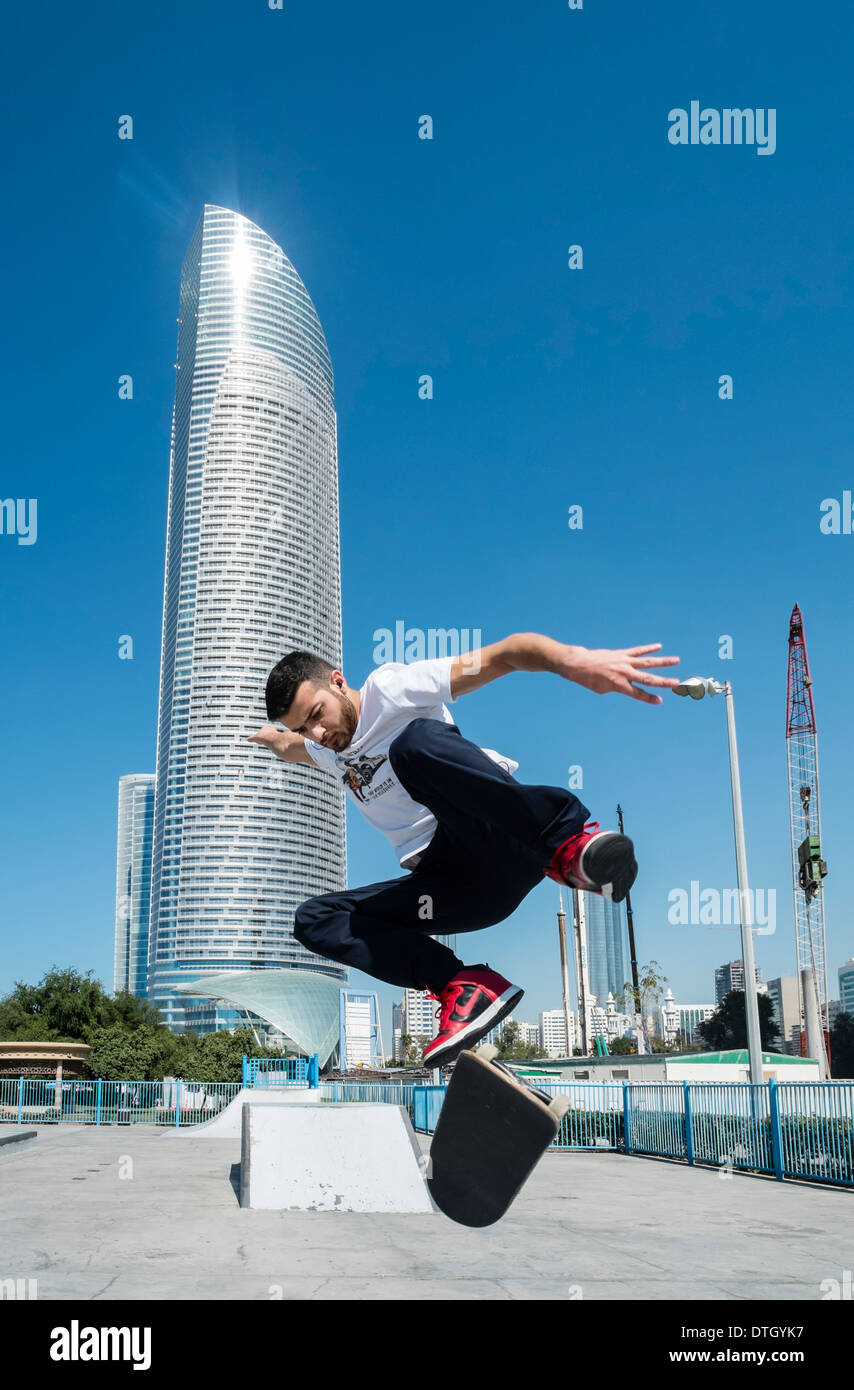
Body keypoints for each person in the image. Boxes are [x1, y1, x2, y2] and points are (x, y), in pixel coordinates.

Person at [248, 632, 679, 1068]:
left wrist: (575, 659)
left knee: (410, 747)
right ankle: (463, 986)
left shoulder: (393, 689)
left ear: (339, 682)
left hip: (497, 835)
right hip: (460, 890)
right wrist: (271, 737)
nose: (318, 733)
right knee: (315, 919)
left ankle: (568, 848)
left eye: (317, 715)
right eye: (305, 727)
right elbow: (288, 747)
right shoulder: (324, 748)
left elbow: (504, 654)